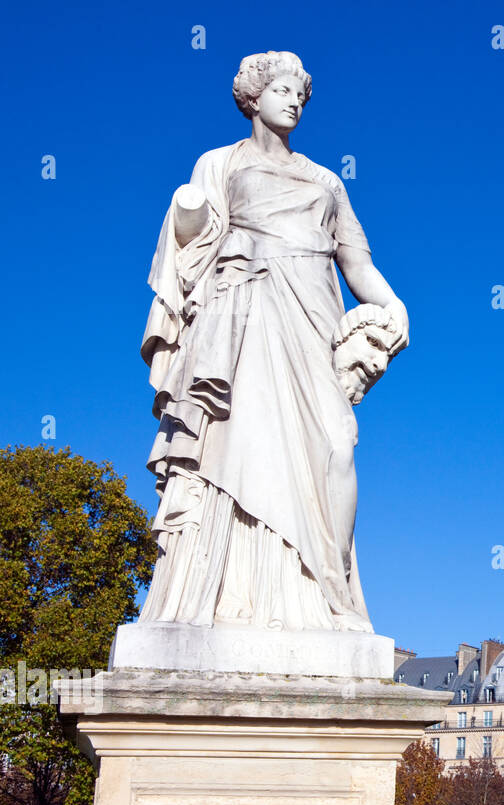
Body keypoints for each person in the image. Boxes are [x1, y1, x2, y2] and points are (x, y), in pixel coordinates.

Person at [138, 51, 408, 634]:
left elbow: (356, 263)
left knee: (336, 445)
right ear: (253, 97)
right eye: (283, 90)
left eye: (301, 95)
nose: (294, 102)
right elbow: (193, 241)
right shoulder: (219, 162)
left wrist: (393, 303)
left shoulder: (325, 182)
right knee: (236, 447)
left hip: (312, 315)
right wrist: (185, 214)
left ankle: (331, 589)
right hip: (242, 313)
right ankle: (226, 596)